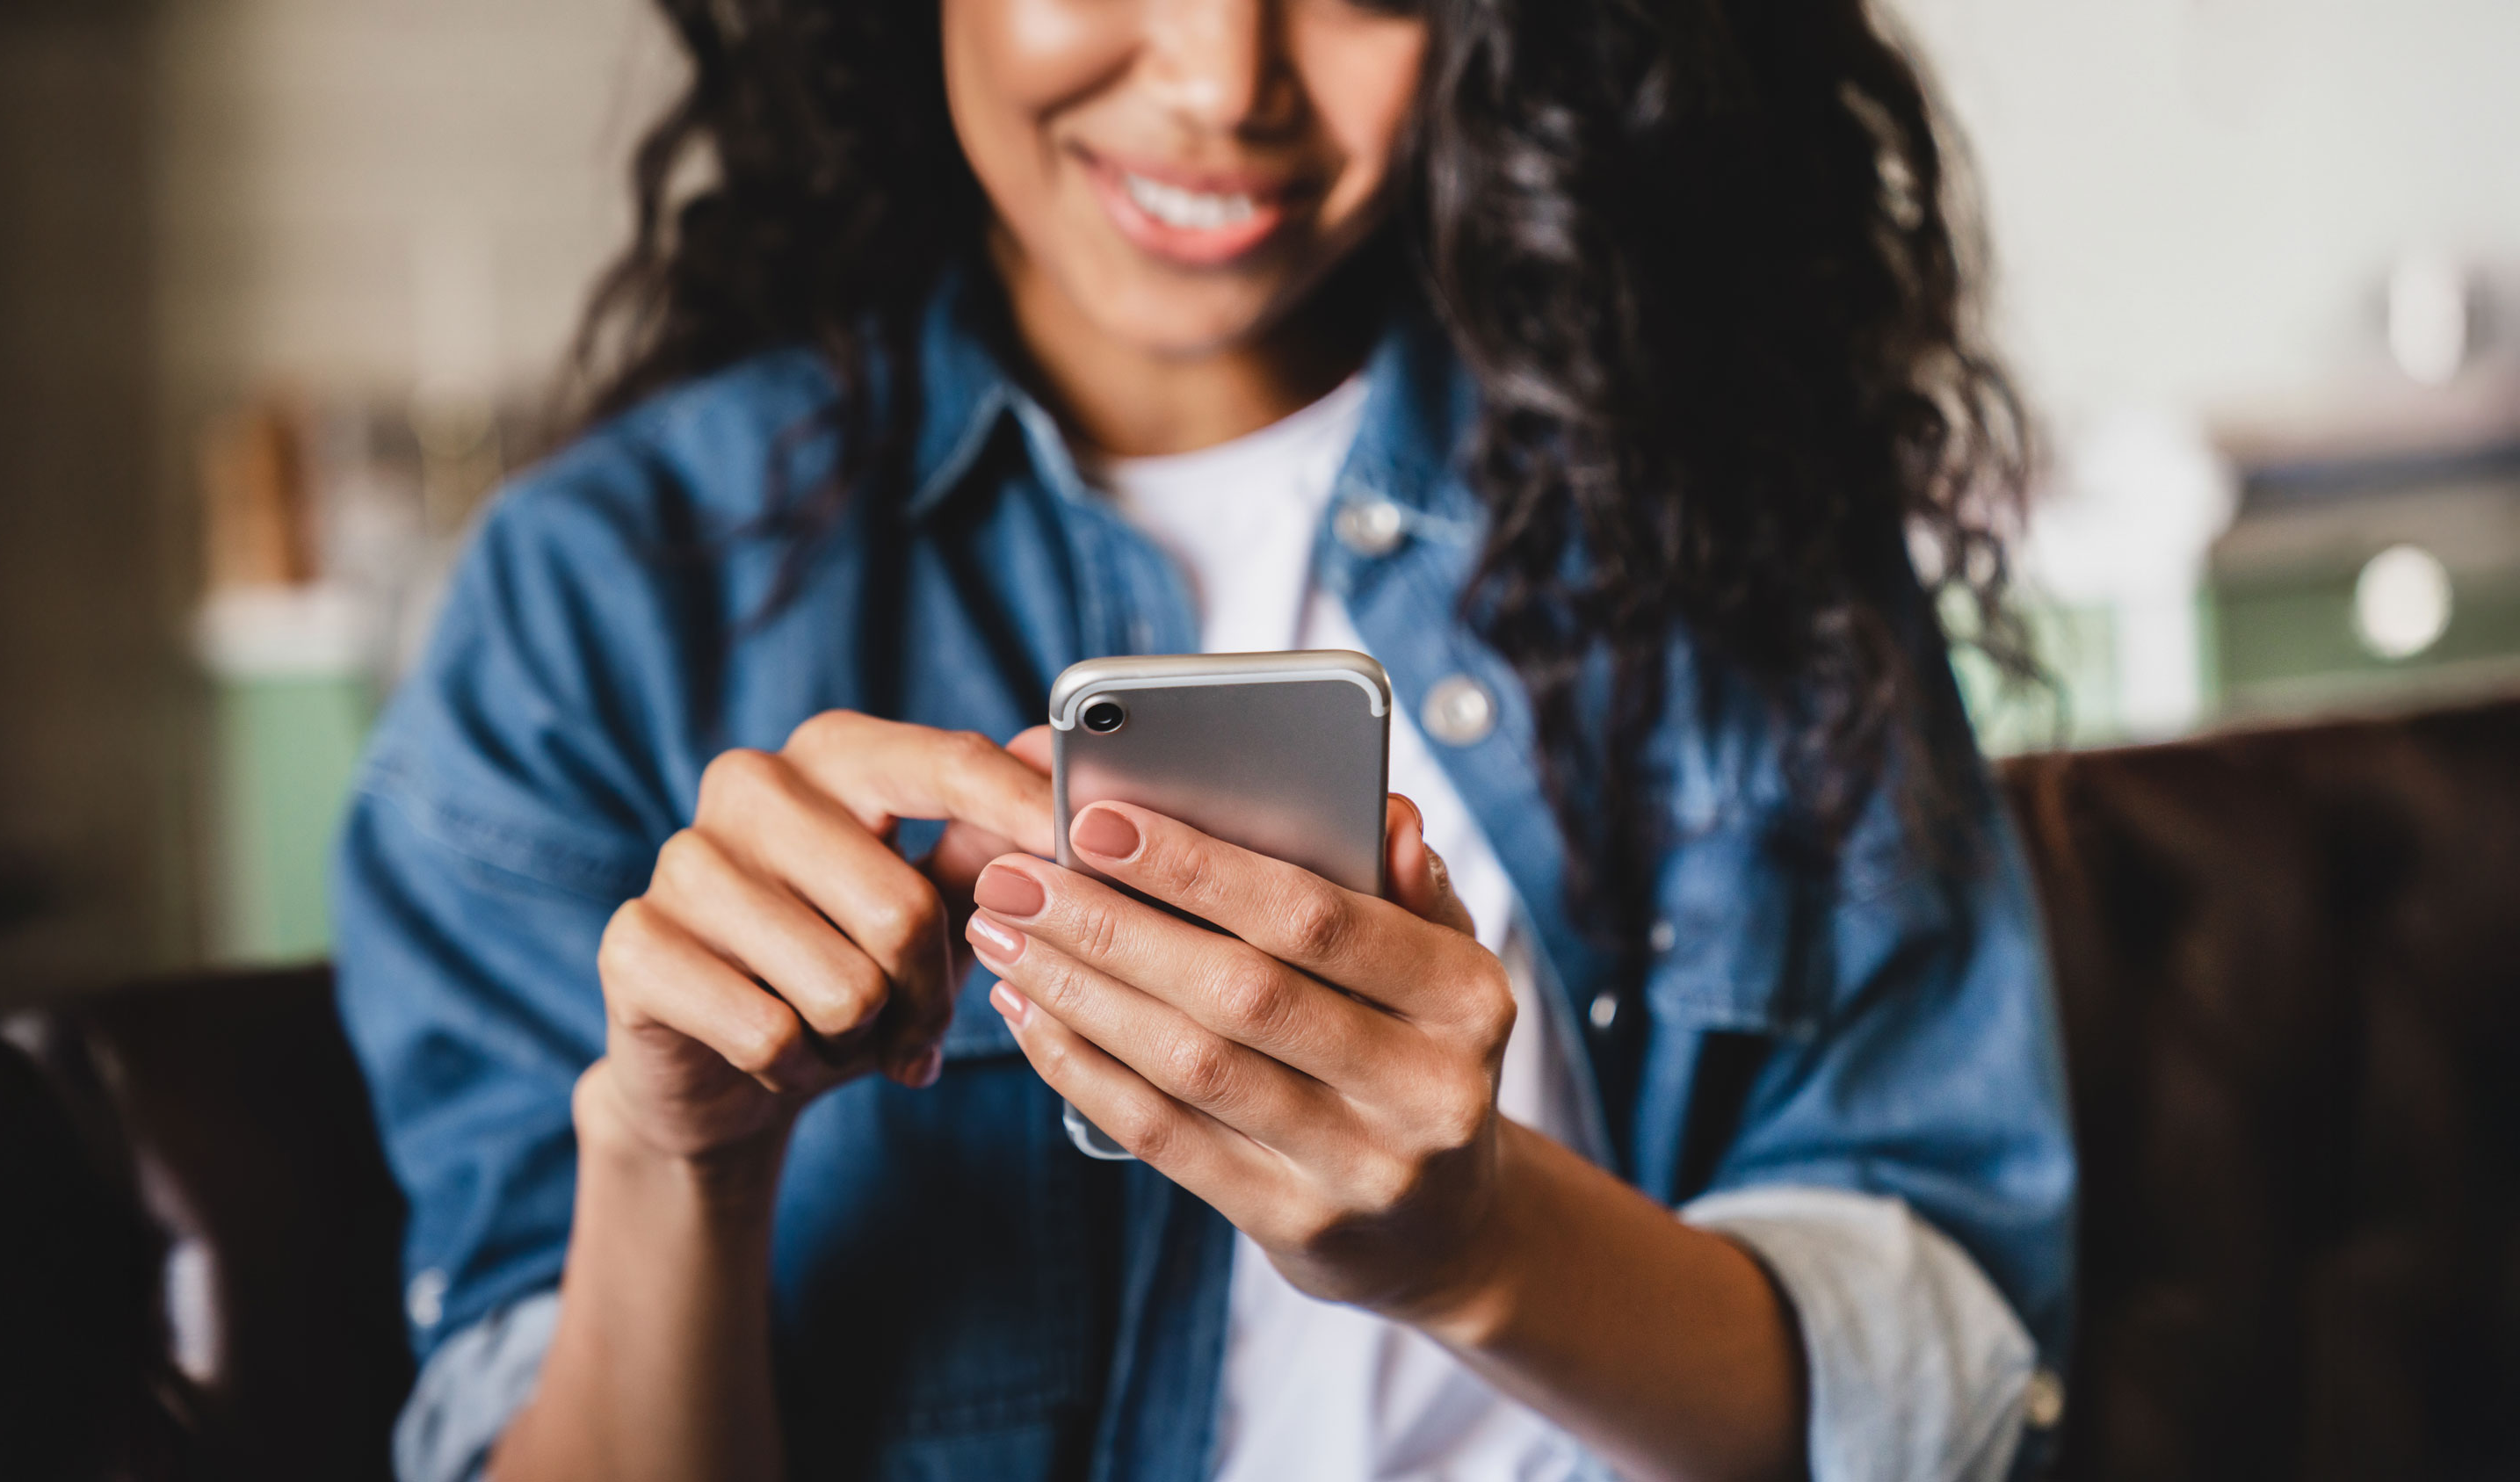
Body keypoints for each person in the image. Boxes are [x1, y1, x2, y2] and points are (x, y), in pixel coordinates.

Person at [334, 0, 2075, 1478]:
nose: (1224, 77)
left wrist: (1475, 1246)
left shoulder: (1723, 500)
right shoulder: (604, 601)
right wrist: (673, 1158)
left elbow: (1953, 1378)